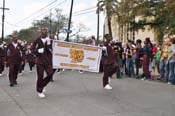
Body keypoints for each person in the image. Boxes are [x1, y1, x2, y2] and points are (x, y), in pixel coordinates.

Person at [31, 27, 53, 98]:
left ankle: (43, 84)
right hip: (39, 61)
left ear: (47, 32)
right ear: (41, 32)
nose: (44, 32)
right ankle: (39, 91)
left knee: (50, 74)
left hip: (47, 61)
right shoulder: (37, 40)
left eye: (46, 31)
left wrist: (50, 48)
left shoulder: (49, 40)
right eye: (43, 31)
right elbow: (32, 49)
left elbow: (52, 49)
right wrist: (37, 51)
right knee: (40, 76)